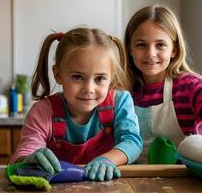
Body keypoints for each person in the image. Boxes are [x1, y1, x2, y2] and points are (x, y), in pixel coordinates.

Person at [10, 27, 143, 181]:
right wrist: (28, 160)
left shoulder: (120, 101)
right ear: (58, 74)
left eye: (100, 78)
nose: (89, 89)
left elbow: (132, 141)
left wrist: (107, 160)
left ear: (111, 78)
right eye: (78, 77)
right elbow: (22, 155)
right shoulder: (43, 111)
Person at [123, 5, 202, 163]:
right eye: (141, 44)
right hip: (134, 180)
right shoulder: (125, 91)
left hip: (184, 179)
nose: (151, 53)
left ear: (174, 50)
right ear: (129, 49)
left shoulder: (189, 85)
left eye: (160, 45)